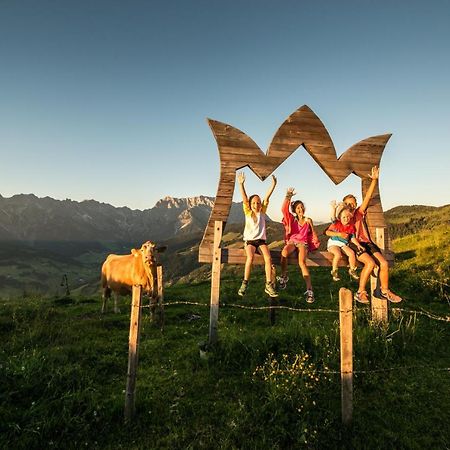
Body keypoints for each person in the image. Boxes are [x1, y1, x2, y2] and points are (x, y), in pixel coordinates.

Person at [343, 166, 402, 303]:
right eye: (348, 204)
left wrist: (374, 180)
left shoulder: (358, 213)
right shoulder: (343, 217)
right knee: (369, 263)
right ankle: (360, 292)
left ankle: (384, 291)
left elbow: (368, 197)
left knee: (384, 263)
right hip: (354, 243)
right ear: (344, 205)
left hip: (367, 243)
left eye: (353, 203)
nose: (351, 206)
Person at [237, 172, 278, 298]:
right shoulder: (248, 212)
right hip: (250, 241)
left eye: (258, 203)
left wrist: (273, 185)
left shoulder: (262, 212)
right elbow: (244, 198)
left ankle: (268, 284)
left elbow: (267, 198)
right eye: (254, 203)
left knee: (268, 258)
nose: (256, 204)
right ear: (250, 204)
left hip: (261, 241)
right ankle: (245, 283)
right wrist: (241, 184)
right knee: (250, 258)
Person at [277, 187, 319, 303]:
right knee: (284, 252)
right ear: (294, 210)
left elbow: (313, 235)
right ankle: (284, 276)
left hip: (302, 244)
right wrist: (288, 197)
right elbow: (283, 209)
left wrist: (311, 224)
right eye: (297, 208)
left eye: (301, 207)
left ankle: (310, 290)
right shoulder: (292, 219)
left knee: (302, 262)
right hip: (292, 241)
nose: (300, 209)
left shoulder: (307, 220)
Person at [325, 202, 363, 282]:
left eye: (348, 217)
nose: (346, 219)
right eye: (344, 217)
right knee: (338, 254)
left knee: (351, 253)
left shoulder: (351, 227)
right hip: (334, 243)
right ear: (340, 218)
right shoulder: (337, 223)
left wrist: (358, 245)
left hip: (343, 244)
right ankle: (334, 271)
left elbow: (352, 238)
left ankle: (352, 269)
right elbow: (332, 217)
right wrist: (334, 208)